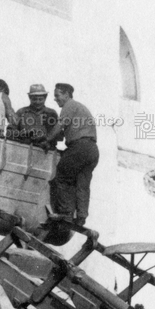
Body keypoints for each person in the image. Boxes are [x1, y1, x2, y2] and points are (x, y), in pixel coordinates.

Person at [45, 83, 98, 226]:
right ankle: (81, 217)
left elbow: (59, 126)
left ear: (66, 94)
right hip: (92, 149)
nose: (55, 99)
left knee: (61, 177)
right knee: (82, 184)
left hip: (79, 147)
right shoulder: (79, 108)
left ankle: (65, 213)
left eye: (57, 95)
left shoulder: (69, 106)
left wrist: (46, 140)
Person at [10, 83, 60, 149]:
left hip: (45, 152)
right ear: (29, 98)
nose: (37, 102)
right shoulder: (21, 112)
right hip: (23, 149)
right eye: (34, 99)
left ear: (45, 98)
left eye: (40, 99)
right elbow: (10, 132)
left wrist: (45, 138)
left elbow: (59, 135)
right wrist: (24, 133)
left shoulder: (52, 114)